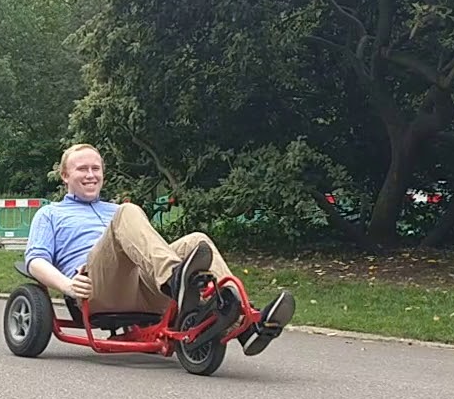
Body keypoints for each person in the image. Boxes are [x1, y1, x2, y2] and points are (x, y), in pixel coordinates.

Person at [23, 143, 295, 356]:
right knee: (128, 212)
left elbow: (145, 249)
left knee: (196, 241)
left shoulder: (114, 210)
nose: (91, 175)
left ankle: (246, 324)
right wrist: (68, 285)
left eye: (96, 169)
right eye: (82, 169)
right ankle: (176, 281)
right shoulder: (51, 214)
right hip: (96, 288)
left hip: (147, 287)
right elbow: (35, 261)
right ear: (65, 175)